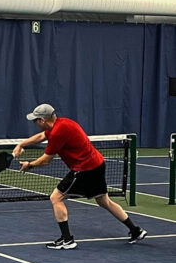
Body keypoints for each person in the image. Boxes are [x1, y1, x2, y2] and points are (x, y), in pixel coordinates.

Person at [14, 103, 147, 249]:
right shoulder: (62, 123)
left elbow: (46, 160)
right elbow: (41, 136)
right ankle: (135, 231)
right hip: (97, 164)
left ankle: (67, 240)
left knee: (56, 197)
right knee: (104, 201)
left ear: (43, 120)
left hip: (84, 169)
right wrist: (21, 144)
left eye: (36, 120)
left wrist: (30, 165)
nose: (35, 123)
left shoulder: (58, 132)